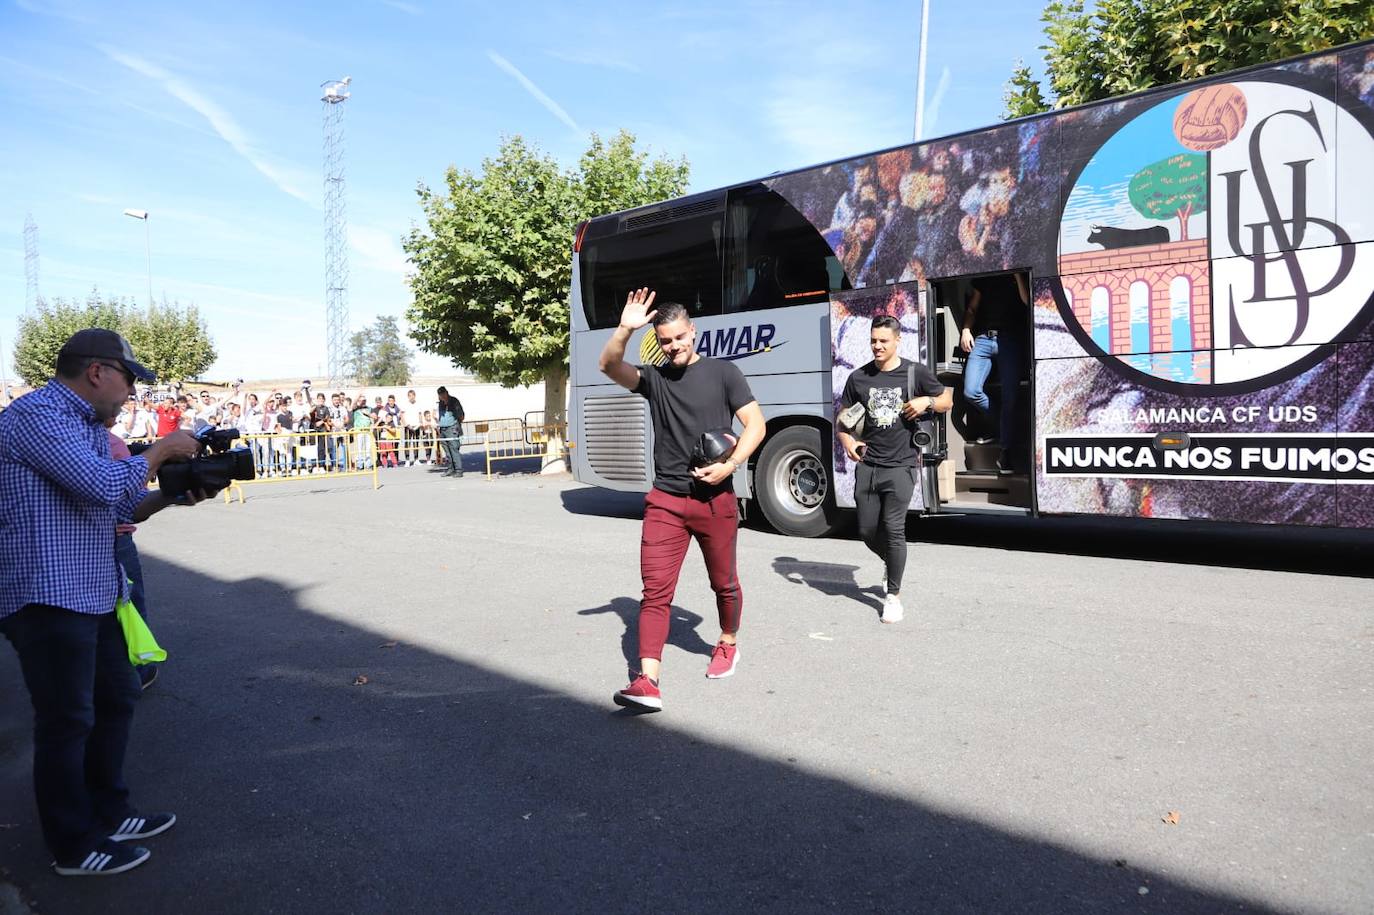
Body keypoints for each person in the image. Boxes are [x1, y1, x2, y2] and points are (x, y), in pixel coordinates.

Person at [0, 329, 209, 877]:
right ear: (97, 371)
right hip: (45, 594)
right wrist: (161, 450)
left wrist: (170, 493)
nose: (130, 392)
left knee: (116, 698)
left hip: (92, 590)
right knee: (67, 721)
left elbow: (119, 509)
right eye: (128, 378)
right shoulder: (37, 415)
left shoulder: (86, 426)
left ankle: (109, 813)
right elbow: (99, 484)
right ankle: (72, 845)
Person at [598, 288, 765, 712]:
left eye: (679, 337)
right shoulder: (654, 379)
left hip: (716, 500)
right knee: (655, 594)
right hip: (666, 501)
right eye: (665, 340)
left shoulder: (725, 373)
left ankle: (727, 642)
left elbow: (755, 425)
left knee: (723, 583)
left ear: (693, 332)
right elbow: (608, 364)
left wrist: (730, 466)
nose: (674, 346)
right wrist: (624, 328)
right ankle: (647, 682)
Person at [837, 315, 952, 624]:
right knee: (866, 530)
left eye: (883, 341)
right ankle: (891, 561)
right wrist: (848, 442)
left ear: (897, 340)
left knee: (895, 529)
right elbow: (843, 420)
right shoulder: (859, 378)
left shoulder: (915, 372)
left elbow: (947, 399)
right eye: (874, 340)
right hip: (868, 465)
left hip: (901, 465)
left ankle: (893, 597)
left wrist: (926, 400)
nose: (877, 346)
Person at [959, 272, 1029, 473]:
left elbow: (1027, 302)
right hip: (983, 339)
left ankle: (1005, 452)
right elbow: (972, 307)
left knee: (1010, 399)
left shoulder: (1018, 276)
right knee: (971, 392)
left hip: (1010, 340)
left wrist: (1017, 275)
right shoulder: (985, 276)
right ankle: (1003, 427)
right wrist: (965, 330)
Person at [436, 386, 464, 477]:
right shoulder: (440, 403)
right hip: (443, 429)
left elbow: (461, 415)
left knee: (454, 449)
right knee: (447, 451)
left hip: (452, 428)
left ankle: (458, 470)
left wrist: (456, 425)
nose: (442, 397)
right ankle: (451, 468)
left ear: (446, 392)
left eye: (443, 394)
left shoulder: (454, 401)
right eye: (440, 395)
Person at [401, 389, 424, 465]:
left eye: (413, 395)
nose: (411, 397)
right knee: (407, 443)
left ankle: (416, 459)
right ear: (408, 396)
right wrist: (406, 424)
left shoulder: (418, 404)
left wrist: (420, 423)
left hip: (416, 426)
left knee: (416, 443)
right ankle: (407, 460)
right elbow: (402, 415)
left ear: (415, 396)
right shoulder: (405, 404)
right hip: (408, 426)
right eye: (410, 396)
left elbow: (420, 414)